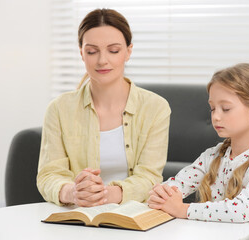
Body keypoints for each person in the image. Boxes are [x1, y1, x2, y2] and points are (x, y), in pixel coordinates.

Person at [37, 8, 171, 207]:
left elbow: (149, 177)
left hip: (132, 216)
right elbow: (49, 175)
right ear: (82, 53)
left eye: (113, 50)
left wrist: (105, 194)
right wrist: (72, 193)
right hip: (77, 214)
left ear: (128, 51)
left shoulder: (155, 108)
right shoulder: (59, 109)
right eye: (92, 51)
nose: (102, 60)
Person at [148, 63, 249, 240]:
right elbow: (178, 184)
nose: (216, 116)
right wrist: (162, 194)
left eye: (225, 109)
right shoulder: (212, 155)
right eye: (212, 108)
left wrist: (183, 209)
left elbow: (241, 210)